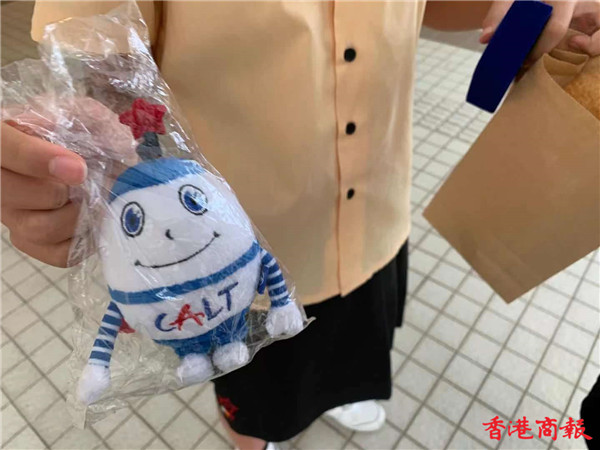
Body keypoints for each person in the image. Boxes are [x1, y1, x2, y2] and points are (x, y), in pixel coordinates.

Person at [2, 1, 598, 448]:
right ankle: (255, 437)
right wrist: (80, 154)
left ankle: (337, 395)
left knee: (360, 345)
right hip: (236, 250)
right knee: (254, 389)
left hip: (376, 206)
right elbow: (94, 58)